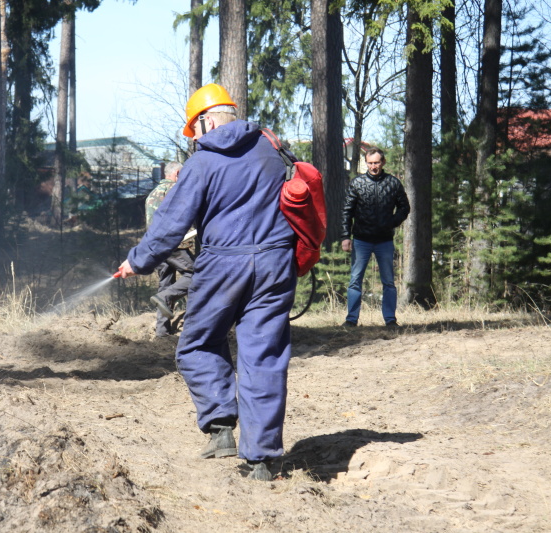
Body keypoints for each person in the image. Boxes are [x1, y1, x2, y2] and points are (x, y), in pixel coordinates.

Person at [117, 83, 296, 481]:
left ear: (207, 121)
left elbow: (169, 224)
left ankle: (220, 429)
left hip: (224, 264)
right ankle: (262, 460)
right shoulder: (273, 149)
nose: (194, 139)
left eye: (194, 131)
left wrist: (137, 262)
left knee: (197, 343)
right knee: (262, 355)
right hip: (276, 263)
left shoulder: (203, 161)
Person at [340, 147, 410, 328]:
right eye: (370, 163)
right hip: (361, 239)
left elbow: (405, 207)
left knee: (388, 281)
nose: (373, 166)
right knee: (355, 280)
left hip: (385, 240)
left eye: (377, 162)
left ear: (383, 162)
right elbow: (347, 212)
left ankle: (390, 320)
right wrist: (345, 236)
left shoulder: (393, 183)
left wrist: (392, 222)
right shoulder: (357, 183)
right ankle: (351, 320)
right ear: (366, 163)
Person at [145, 161, 195, 337]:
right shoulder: (174, 190)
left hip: (156, 247)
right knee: (196, 276)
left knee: (165, 283)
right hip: (175, 245)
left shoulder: (152, 194)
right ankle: (169, 299)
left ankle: (162, 331)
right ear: (178, 172)